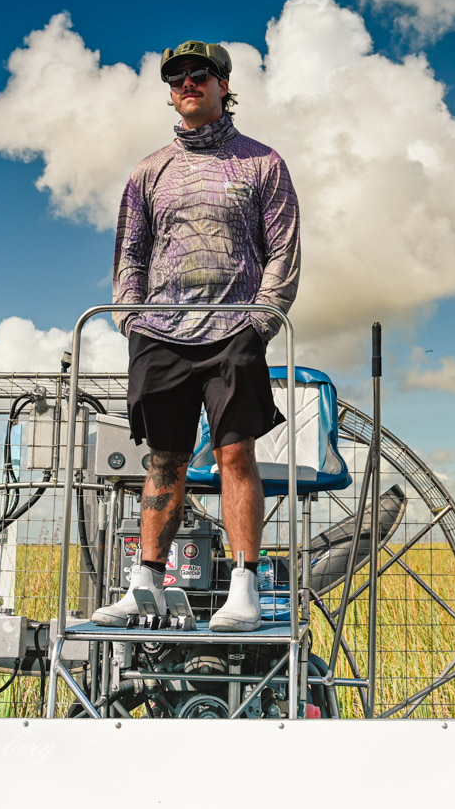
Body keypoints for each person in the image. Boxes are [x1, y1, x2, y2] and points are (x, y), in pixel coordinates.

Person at [92, 40, 301, 632]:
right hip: (160, 333)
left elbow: (283, 249)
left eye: (200, 74)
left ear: (223, 85)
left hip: (235, 327)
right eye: (177, 76)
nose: (188, 82)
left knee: (236, 452)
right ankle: (145, 585)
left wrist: (261, 318)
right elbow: (130, 252)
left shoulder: (263, 163)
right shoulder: (148, 171)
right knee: (164, 459)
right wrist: (130, 318)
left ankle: (245, 587)